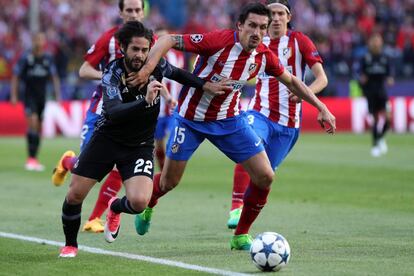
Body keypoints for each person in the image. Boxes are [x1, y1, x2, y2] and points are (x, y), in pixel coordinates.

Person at [131, 2, 336, 251]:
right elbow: (167, 40)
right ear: (240, 25)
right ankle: (149, 205)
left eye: (263, 27)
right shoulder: (218, 41)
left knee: (265, 176)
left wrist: (321, 107)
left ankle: (241, 234)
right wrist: (148, 69)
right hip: (191, 120)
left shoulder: (263, 55)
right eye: (252, 26)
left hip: (229, 121)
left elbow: (293, 81)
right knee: (169, 182)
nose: (257, 32)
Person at [58, 21, 229, 258]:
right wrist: (145, 101)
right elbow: (114, 110)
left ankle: (114, 207)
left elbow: (179, 74)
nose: (139, 55)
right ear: (123, 48)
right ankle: (70, 245)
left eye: (144, 50)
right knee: (75, 195)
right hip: (106, 139)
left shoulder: (156, 66)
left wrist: (204, 85)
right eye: (134, 49)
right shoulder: (112, 73)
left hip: (139, 146)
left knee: (139, 202)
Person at [226, 0, 329, 229]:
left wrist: (305, 94)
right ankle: (235, 207)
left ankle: (241, 233)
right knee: (248, 147)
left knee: (263, 178)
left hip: (289, 124)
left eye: (280, 13)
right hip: (259, 112)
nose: (276, 18)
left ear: (288, 16)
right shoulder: (256, 41)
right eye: (272, 13)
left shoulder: (299, 41)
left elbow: (322, 78)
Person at [51, 0, 146, 234]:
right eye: (129, 11)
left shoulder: (147, 41)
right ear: (121, 13)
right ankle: (67, 162)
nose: (134, 15)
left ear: (143, 12)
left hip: (131, 113)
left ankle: (95, 217)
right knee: (85, 167)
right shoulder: (109, 38)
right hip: (103, 109)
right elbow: (84, 69)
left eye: (137, 10)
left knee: (119, 165)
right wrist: (110, 76)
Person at [10, 32, 61, 171]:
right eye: (37, 39)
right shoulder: (26, 57)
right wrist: (14, 95)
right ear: (33, 41)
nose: (39, 42)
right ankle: (30, 158)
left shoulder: (48, 58)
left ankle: (34, 158)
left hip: (42, 97)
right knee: (32, 123)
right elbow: (16, 75)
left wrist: (57, 94)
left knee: (38, 127)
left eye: (41, 39)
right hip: (29, 96)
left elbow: (54, 76)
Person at [154, 26, 184, 170]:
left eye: (164, 38)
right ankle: (163, 171)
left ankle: (171, 170)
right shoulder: (153, 57)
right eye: (158, 38)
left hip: (173, 108)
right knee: (159, 144)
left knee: (174, 140)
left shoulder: (178, 56)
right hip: (156, 110)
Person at [359, 33, 394, 157]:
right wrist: (362, 84)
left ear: (381, 43)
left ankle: (380, 138)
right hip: (371, 93)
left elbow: (390, 76)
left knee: (389, 119)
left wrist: (390, 80)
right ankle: (375, 144)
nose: (376, 43)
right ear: (370, 43)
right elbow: (361, 77)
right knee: (376, 119)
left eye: (378, 41)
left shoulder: (385, 58)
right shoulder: (366, 58)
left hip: (382, 92)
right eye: (373, 41)